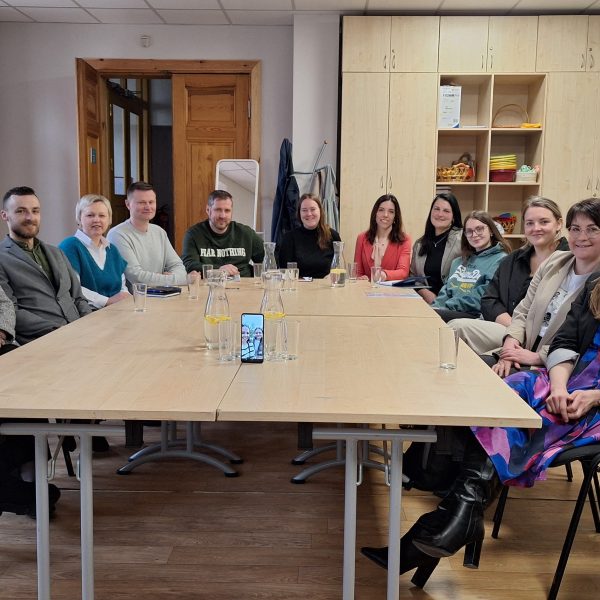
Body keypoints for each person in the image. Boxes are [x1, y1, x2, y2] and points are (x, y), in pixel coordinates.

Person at [361, 274, 600, 583]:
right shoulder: (595, 284)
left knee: (524, 423)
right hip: (568, 382)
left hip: (594, 404)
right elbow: (565, 342)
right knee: (497, 395)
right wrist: (558, 386)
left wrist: (594, 397)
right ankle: (458, 520)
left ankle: (444, 526)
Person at [491, 198, 600, 377]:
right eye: (575, 229)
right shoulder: (554, 261)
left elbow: (584, 342)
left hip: (558, 367)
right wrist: (510, 346)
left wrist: (538, 357)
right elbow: (523, 311)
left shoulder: (597, 285)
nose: (581, 237)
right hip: (523, 348)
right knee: (471, 367)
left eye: (592, 229)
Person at [451, 197, 568, 354]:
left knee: (478, 354)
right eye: (530, 223)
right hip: (507, 327)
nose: (536, 228)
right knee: (454, 329)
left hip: (543, 340)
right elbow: (489, 300)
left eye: (544, 222)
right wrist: (514, 330)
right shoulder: (512, 260)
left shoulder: (571, 261)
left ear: (559, 224)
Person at [0, 186, 92, 345]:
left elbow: (78, 297)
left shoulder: (56, 252)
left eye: (35, 211)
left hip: (81, 332)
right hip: (41, 340)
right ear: (4, 215)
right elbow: (11, 311)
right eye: (21, 211)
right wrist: (58, 330)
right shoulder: (2, 257)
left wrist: (91, 323)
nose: (30, 217)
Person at [107, 181, 189, 288]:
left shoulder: (159, 232)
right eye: (141, 202)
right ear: (127, 204)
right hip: (132, 298)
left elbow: (178, 266)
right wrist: (174, 280)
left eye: (151, 202)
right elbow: (137, 277)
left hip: (162, 294)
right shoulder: (117, 235)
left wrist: (175, 278)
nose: (148, 207)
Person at [432, 211, 510, 323]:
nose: (474, 235)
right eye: (469, 231)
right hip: (449, 311)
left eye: (479, 229)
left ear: (491, 231)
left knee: (432, 318)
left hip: (475, 314)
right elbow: (446, 291)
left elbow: (483, 296)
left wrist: (446, 307)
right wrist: (435, 306)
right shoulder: (458, 262)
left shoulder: (501, 260)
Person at [59, 194, 130, 309]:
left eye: (102, 215)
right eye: (90, 215)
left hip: (115, 310)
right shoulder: (69, 246)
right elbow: (73, 287)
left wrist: (124, 297)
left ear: (109, 220)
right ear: (79, 219)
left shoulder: (112, 250)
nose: (97, 220)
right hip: (85, 313)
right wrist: (107, 301)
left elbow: (121, 287)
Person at [182, 190, 264, 278]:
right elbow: (189, 265)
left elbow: (268, 257)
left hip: (244, 282)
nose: (223, 216)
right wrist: (218, 270)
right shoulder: (193, 234)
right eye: (218, 210)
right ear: (208, 210)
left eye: (227, 211)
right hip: (211, 283)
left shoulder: (246, 233)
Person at [410, 193, 463, 303]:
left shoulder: (462, 240)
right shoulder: (419, 244)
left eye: (446, 211)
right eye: (436, 209)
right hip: (426, 302)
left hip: (453, 303)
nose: (440, 214)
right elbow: (413, 276)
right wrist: (424, 292)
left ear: (454, 216)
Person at [277, 193, 341, 279]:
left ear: (320, 211)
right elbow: (284, 272)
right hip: (298, 286)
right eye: (304, 210)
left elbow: (339, 267)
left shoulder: (333, 236)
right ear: (299, 213)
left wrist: (332, 276)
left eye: (313, 209)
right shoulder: (289, 238)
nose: (309, 214)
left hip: (326, 286)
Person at [353, 194, 412, 281]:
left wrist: (384, 274)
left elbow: (403, 272)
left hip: (392, 289)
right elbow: (357, 272)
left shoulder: (404, 240)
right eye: (381, 210)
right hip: (366, 288)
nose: (385, 215)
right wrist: (361, 278)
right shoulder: (361, 238)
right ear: (375, 213)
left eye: (391, 211)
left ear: (395, 216)